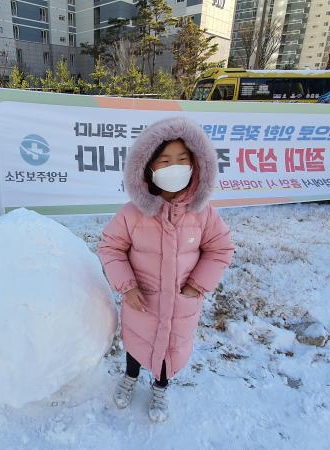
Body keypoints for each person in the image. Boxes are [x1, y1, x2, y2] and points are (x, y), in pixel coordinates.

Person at [97, 116, 235, 422]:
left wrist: (196, 285)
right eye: (165, 160)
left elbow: (220, 248)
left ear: (196, 165)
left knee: (169, 351)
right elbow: (111, 248)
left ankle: (160, 388)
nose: (175, 167)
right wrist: (127, 286)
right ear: (148, 167)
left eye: (182, 160)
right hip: (142, 302)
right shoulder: (132, 213)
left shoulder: (203, 214)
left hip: (180, 306)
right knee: (136, 343)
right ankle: (130, 377)